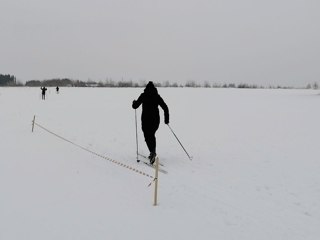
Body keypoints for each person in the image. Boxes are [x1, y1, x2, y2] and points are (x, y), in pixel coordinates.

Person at [132, 81, 169, 164]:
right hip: (155, 120)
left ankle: (152, 152)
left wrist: (134, 103)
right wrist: (166, 120)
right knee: (151, 135)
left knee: (147, 136)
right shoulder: (157, 96)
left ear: (146, 88)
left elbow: (135, 106)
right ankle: (152, 152)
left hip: (146, 120)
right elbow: (165, 108)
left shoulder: (143, 95)